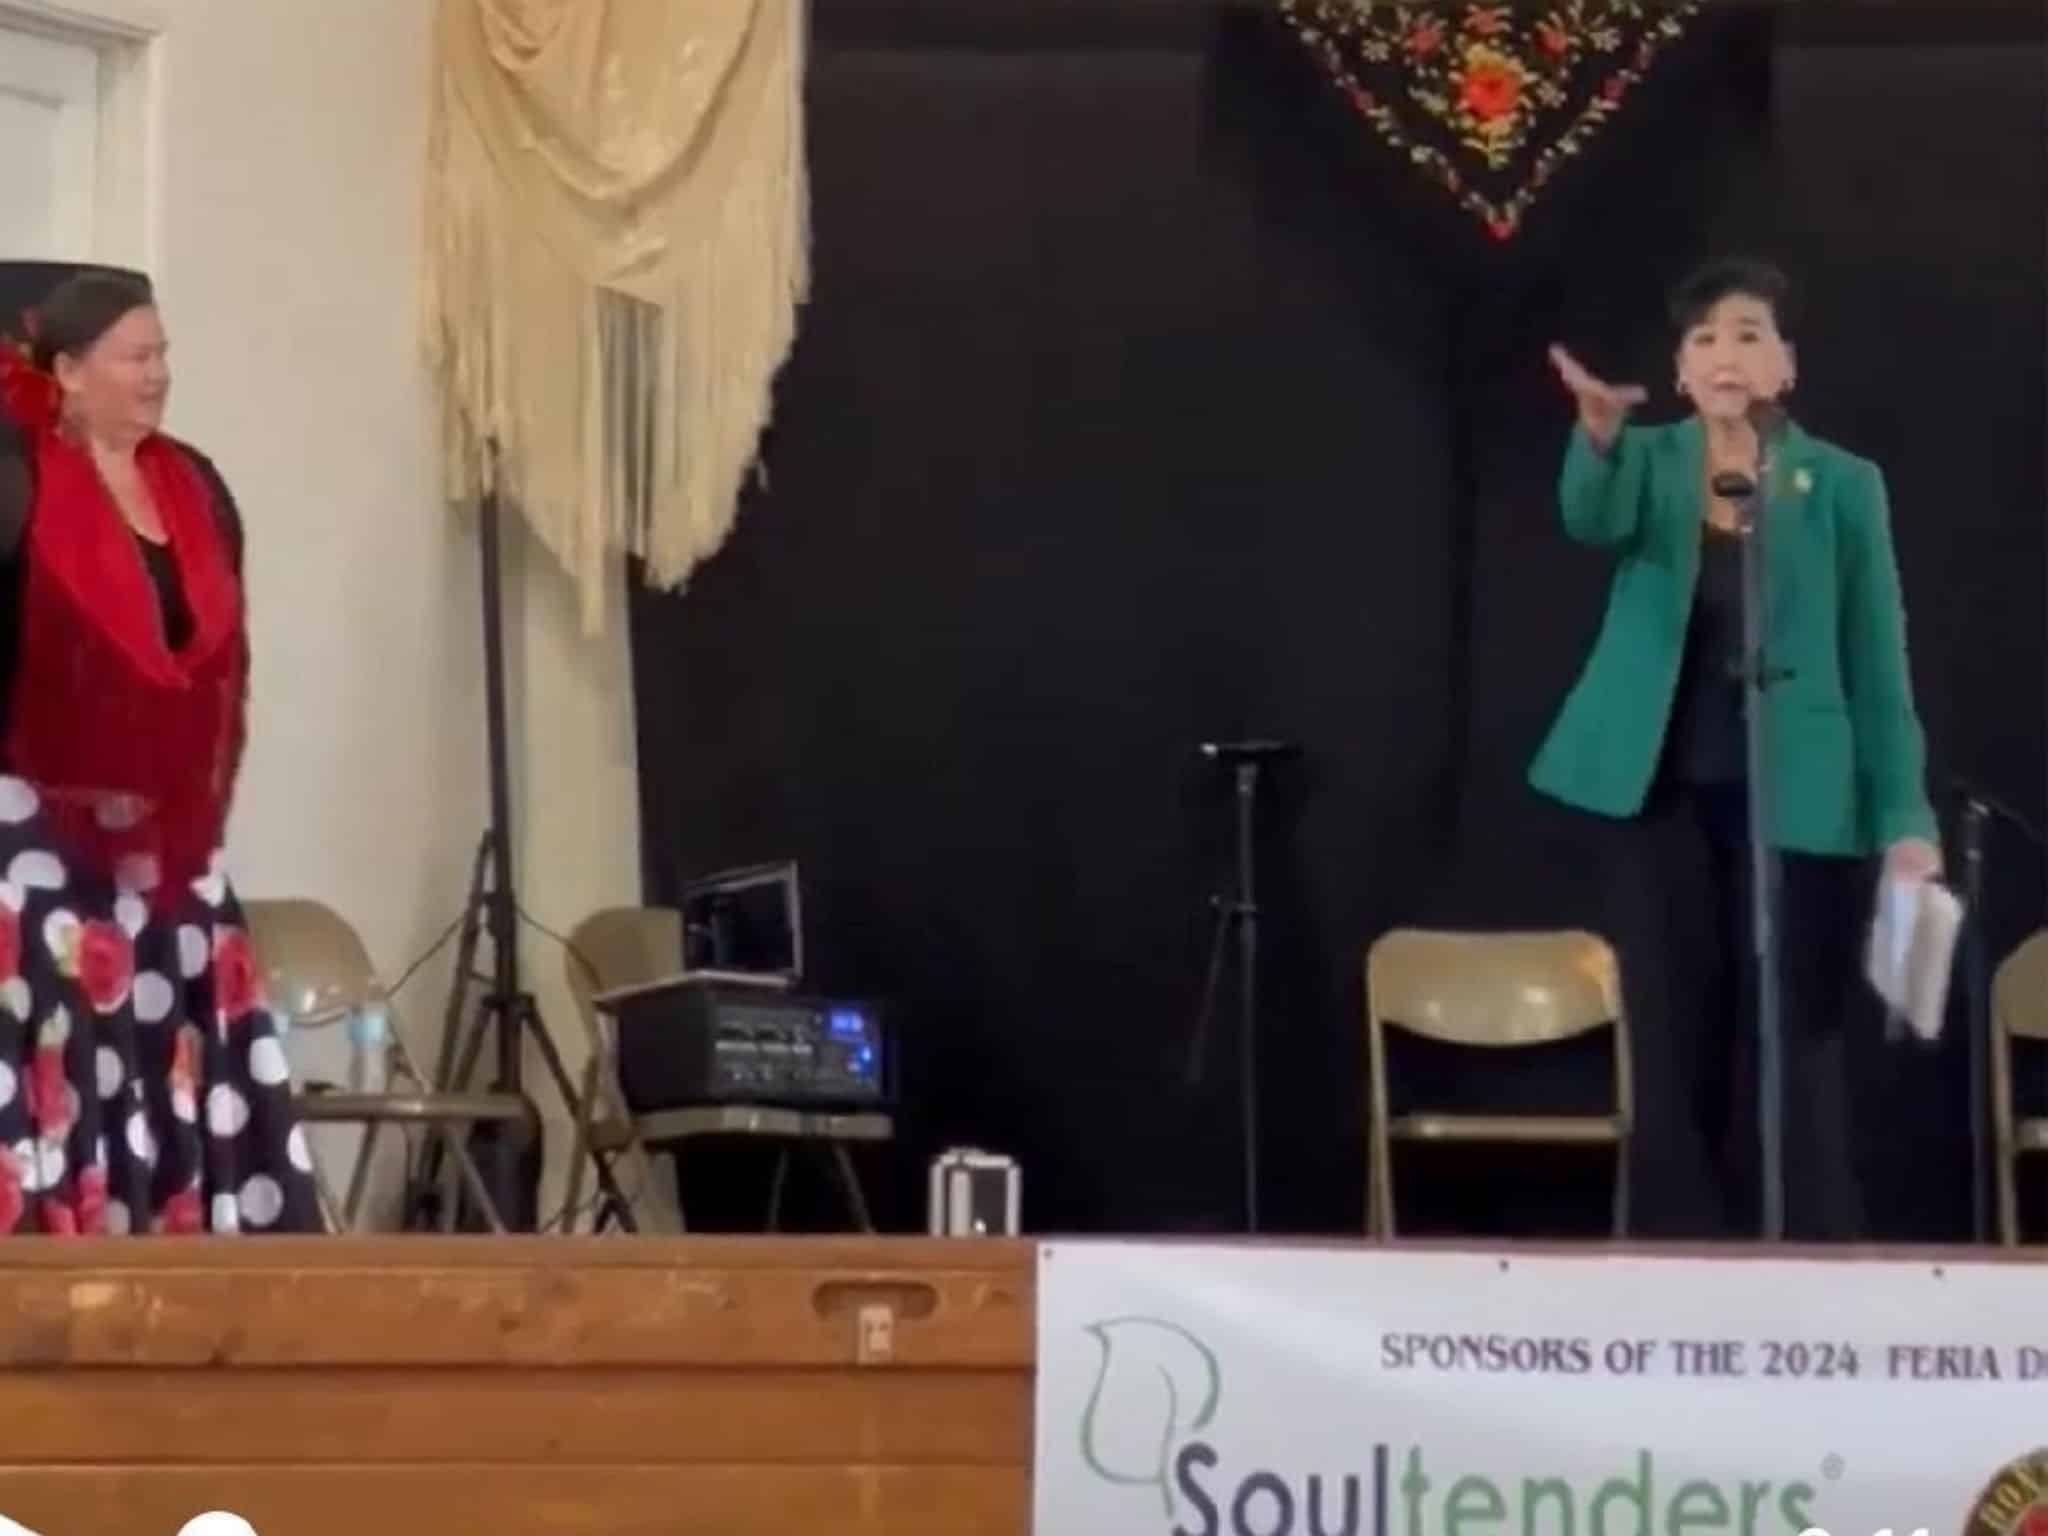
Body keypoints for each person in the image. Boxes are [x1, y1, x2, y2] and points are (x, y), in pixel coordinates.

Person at [1529, 257, 1938, 1241]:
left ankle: (1808, 1254)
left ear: (1785, 365)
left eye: (1749, 334)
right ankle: (1680, 1256)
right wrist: (1596, 437)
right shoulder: (1645, 460)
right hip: (1655, 796)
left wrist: (1905, 817)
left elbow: (1876, 660)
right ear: (1679, 370)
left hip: (1800, 796)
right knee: (1676, 1032)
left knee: (1795, 1037)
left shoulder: (1842, 485)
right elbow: (1589, 517)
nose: (1726, 354)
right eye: (1705, 338)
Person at [0, 270, 321, 1234]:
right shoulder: (16, 477)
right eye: (136, 357)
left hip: (166, 838)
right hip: (38, 830)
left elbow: (216, 653)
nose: (158, 375)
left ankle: (176, 1236)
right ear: (70, 371)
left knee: (177, 1035)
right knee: (58, 1045)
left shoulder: (195, 485)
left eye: (163, 354)